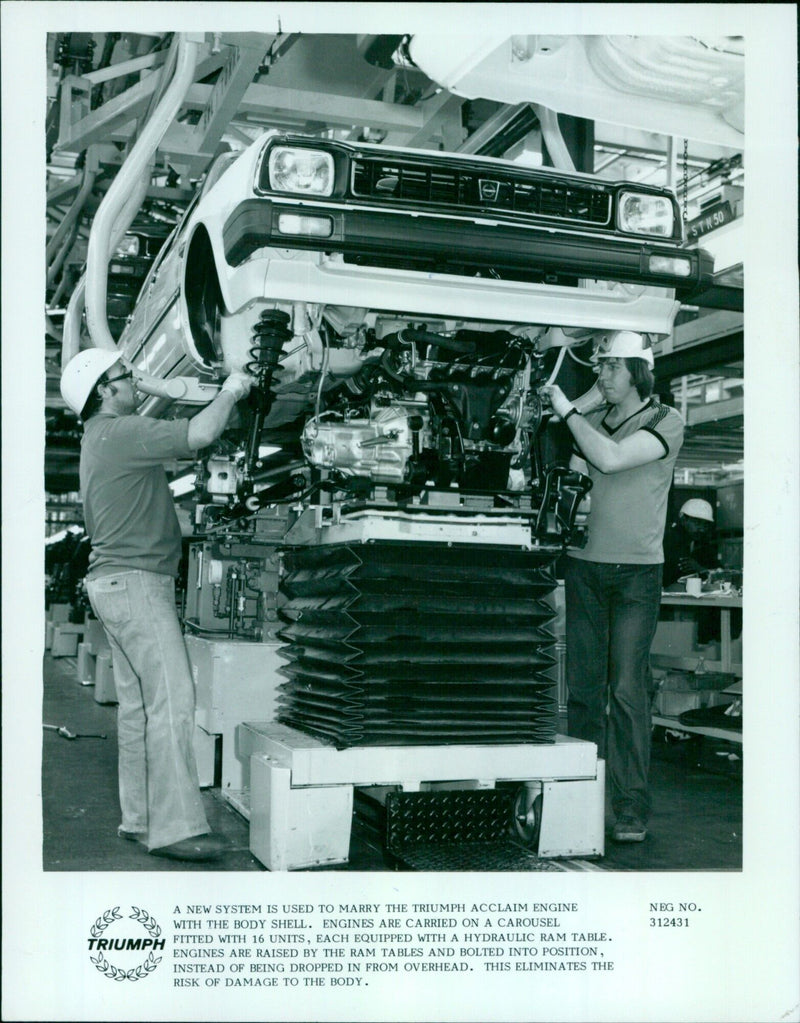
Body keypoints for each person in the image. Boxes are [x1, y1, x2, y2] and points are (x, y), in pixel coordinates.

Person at [60, 349, 253, 861]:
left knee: (139, 709)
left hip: (115, 585)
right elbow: (200, 435)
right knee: (172, 701)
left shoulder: (100, 440)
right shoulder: (121, 434)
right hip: (138, 586)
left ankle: (140, 817)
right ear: (104, 390)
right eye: (127, 377)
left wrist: (164, 392)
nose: (136, 383)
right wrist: (233, 388)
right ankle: (176, 829)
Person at [543, 330, 684, 844]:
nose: (600, 375)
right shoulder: (593, 420)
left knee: (627, 691)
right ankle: (579, 797)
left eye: (610, 368)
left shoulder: (666, 420)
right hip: (586, 567)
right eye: (599, 366)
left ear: (637, 373)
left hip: (636, 573)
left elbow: (612, 459)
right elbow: (581, 480)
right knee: (583, 691)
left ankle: (630, 807)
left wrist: (569, 410)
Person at [662, 497, 717, 587]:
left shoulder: (702, 543)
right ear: (683, 519)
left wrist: (700, 569)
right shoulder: (669, 540)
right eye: (697, 523)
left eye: (705, 525)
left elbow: (717, 569)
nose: (702, 529)